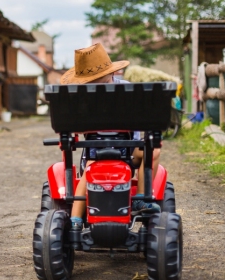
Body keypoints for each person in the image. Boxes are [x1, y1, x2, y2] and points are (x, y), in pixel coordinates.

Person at [59, 43, 161, 233]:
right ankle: (75, 220)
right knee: (89, 169)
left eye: (98, 79)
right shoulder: (80, 97)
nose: (94, 83)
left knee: (153, 152)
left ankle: (140, 199)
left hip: (129, 147)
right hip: (95, 151)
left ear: (110, 73)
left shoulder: (128, 91)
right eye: (90, 81)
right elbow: (72, 123)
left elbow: (143, 117)